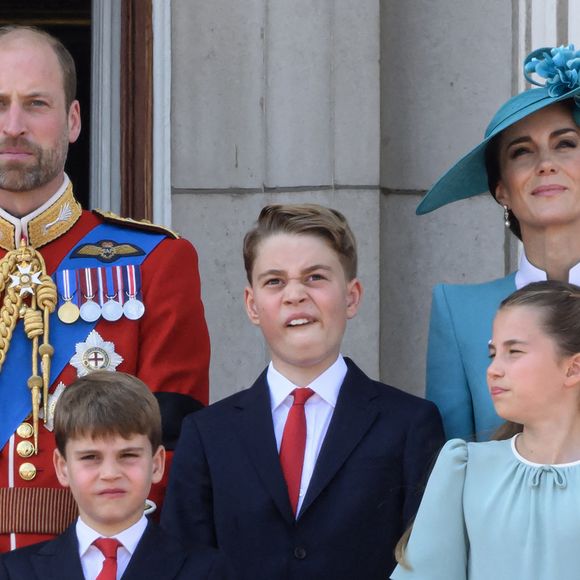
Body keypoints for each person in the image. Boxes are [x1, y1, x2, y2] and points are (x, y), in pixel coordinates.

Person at [0, 25, 210, 552]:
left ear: (73, 121)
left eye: (36, 104)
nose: (14, 125)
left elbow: (174, 447)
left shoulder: (155, 262)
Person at [161, 203, 444, 580]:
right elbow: (183, 564)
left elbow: (427, 561)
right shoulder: (207, 434)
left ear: (352, 296)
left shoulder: (409, 423)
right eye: (274, 281)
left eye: (315, 277)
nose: (294, 295)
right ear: (252, 305)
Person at [417, 44, 580, 440]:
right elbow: (452, 464)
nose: (545, 163)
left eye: (566, 143)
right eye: (522, 152)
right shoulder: (458, 312)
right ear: (501, 189)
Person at [391, 280, 580, 579]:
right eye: (493, 354)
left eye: (514, 351)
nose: (493, 369)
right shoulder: (466, 468)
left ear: (573, 368)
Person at [0, 372, 232, 579]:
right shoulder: (14, 572)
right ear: (62, 468)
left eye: (128, 455)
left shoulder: (208, 571)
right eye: (90, 457)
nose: (110, 474)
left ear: (157, 464)